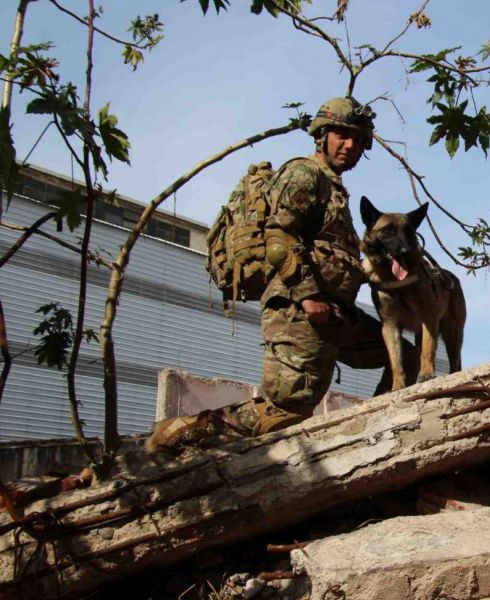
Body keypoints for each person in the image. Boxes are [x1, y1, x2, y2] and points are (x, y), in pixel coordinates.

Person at [146, 97, 417, 451]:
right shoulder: (304, 173)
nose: (350, 145)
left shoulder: (334, 189)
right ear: (321, 135)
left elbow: (334, 257)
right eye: (341, 134)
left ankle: (376, 434)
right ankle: (183, 431)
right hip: (299, 311)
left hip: (336, 314)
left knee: (404, 357)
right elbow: (278, 238)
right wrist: (309, 297)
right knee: (287, 410)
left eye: (358, 140)